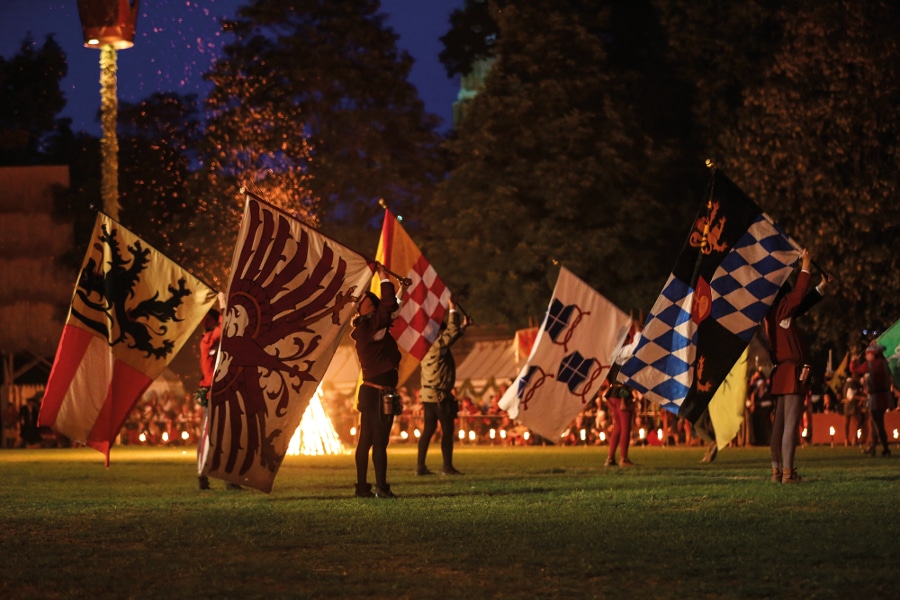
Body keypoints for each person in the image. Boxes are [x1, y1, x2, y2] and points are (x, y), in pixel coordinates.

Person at [764, 249, 827, 483]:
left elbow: (801, 303)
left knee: (779, 425)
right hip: (791, 371)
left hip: (782, 371)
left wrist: (820, 287)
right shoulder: (782, 309)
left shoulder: (773, 314)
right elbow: (798, 297)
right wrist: (806, 265)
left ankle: (777, 471)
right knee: (791, 423)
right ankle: (788, 474)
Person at [352, 264, 405, 499]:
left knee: (366, 442)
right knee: (378, 443)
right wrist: (382, 275)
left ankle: (362, 487)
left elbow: (392, 309)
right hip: (380, 393)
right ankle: (382, 488)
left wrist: (401, 290)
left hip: (370, 392)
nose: (368, 301)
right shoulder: (372, 327)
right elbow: (388, 307)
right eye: (366, 301)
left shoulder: (369, 327)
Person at [416, 298, 468, 476]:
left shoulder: (426, 348)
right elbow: (450, 334)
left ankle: (420, 467)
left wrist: (463, 327)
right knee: (447, 431)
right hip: (440, 395)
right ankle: (447, 466)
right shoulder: (437, 346)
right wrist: (453, 309)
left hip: (428, 395)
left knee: (428, 431)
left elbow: (451, 336)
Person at [195, 308, 241, 491]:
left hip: (225, 391)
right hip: (214, 393)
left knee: (228, 437)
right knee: (209, 438)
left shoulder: (217, 341)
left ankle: (228, 479)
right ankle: (204, 477)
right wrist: (224, 310)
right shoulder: (208, 340)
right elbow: (222, 331)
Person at [850, 343, 893, 457]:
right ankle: (872, 448)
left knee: (878, 424)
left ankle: (886, 449)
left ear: (873, 355)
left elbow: (854, 369)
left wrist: (853, 360)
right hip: (885, 397)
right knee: (874, 423)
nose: (866, 356)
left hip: (876, 398)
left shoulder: (871, 365)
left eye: (868, 354)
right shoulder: (884, 363)